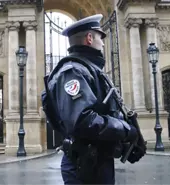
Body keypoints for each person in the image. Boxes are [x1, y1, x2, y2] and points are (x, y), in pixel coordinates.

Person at [41, 14, 146, 185]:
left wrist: (127, 138)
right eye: (100, 37)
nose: (104, 43)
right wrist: (125, 129)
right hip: (84, 165)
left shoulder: (89, 69)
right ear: (89, 38)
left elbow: (103, 111)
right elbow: (83, 120)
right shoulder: (73, 72)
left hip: (97, 160)